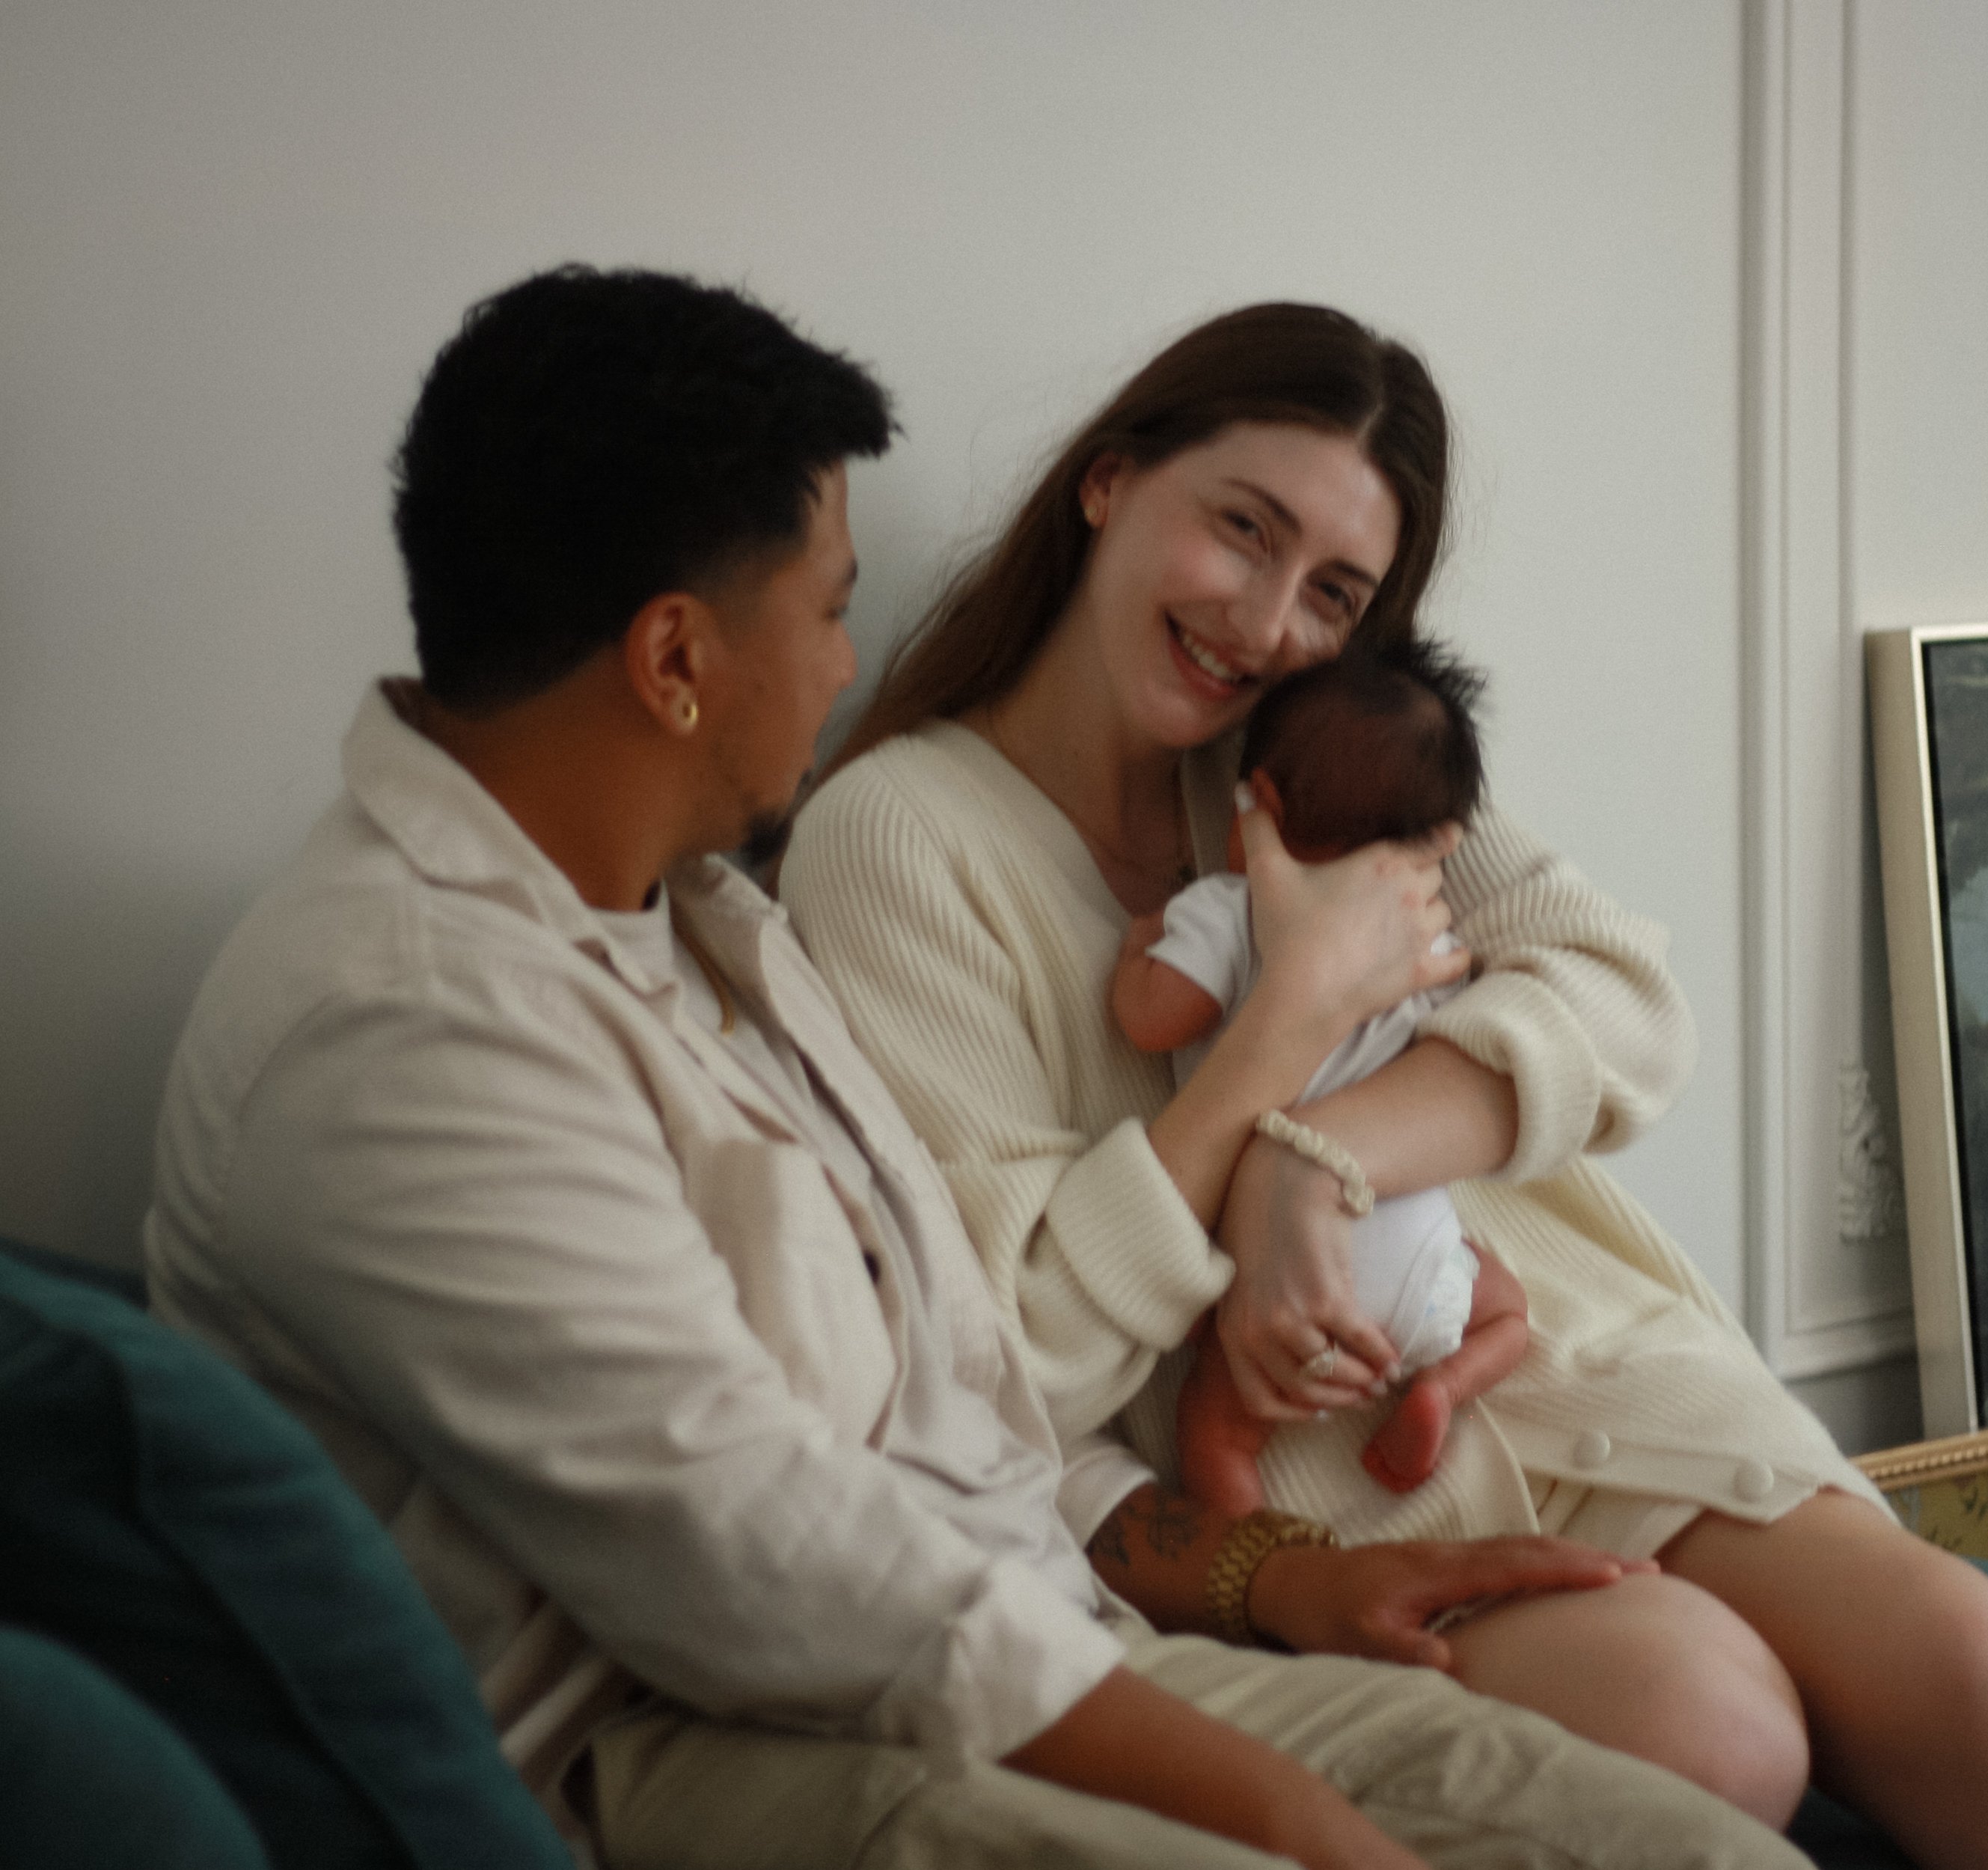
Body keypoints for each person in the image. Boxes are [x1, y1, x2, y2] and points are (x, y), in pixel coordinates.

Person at [139, 266, 1826, 1870]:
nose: (846, 669)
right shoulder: (407, 1028)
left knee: (1677, 1840)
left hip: (1036, 1637)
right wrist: (1309, 1823)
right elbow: (768, 1556)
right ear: (672, 660)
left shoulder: (704, 934)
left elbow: (969, 1403)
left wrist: (1256, 1576)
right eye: (827, 610)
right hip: (744, 1749)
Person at [779, 301, 1988, 1868]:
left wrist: (1307, 1163)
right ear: (1108, 484)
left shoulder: (1327, 748)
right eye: (1238, 530)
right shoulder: (898, 837)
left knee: (1980, 1669)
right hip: (1321, 1486)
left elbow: (1622, 999)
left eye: (1334, 589)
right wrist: (1281, 1029)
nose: (1263, 625)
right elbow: (1007, 1342)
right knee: (1708, 1722)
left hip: (1579, 1371)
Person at [1113, 637, 1532, 1513]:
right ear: (1433, 844)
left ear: (1256, 804)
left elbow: (1152, 1019)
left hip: (1266, 1280)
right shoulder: (1432, 944)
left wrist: (1138, 947)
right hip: (1417, 1267)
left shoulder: (1227, 912)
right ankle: (1441, 1390)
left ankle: (1260, 1565)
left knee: (1217, 1431)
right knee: (1508, 1310)